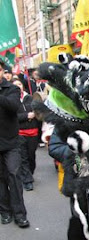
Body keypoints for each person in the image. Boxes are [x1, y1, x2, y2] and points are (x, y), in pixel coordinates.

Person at [48, 131, 89, 240]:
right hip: (78, 179)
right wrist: (76, 148)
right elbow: (55, 148)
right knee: (79, 216)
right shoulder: (67, 119)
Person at [0, 59, 29, 228]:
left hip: (11, 142)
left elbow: (13, 106)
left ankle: (20, 214)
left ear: (2, 71)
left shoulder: (11, 89)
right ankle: (5, 211)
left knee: (14, 176)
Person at [14, 78, 40, 191]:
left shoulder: (31, 98)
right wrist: (26, 116)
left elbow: (40, 113)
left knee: (31, 156)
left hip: (33, 132)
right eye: (15, 85)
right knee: (23, 158)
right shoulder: (12, 101)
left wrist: (36, 113)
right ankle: (27, 180)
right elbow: (12, 117)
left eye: (19, 84)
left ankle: (29, 173)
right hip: (19, 133)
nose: (18, 86)